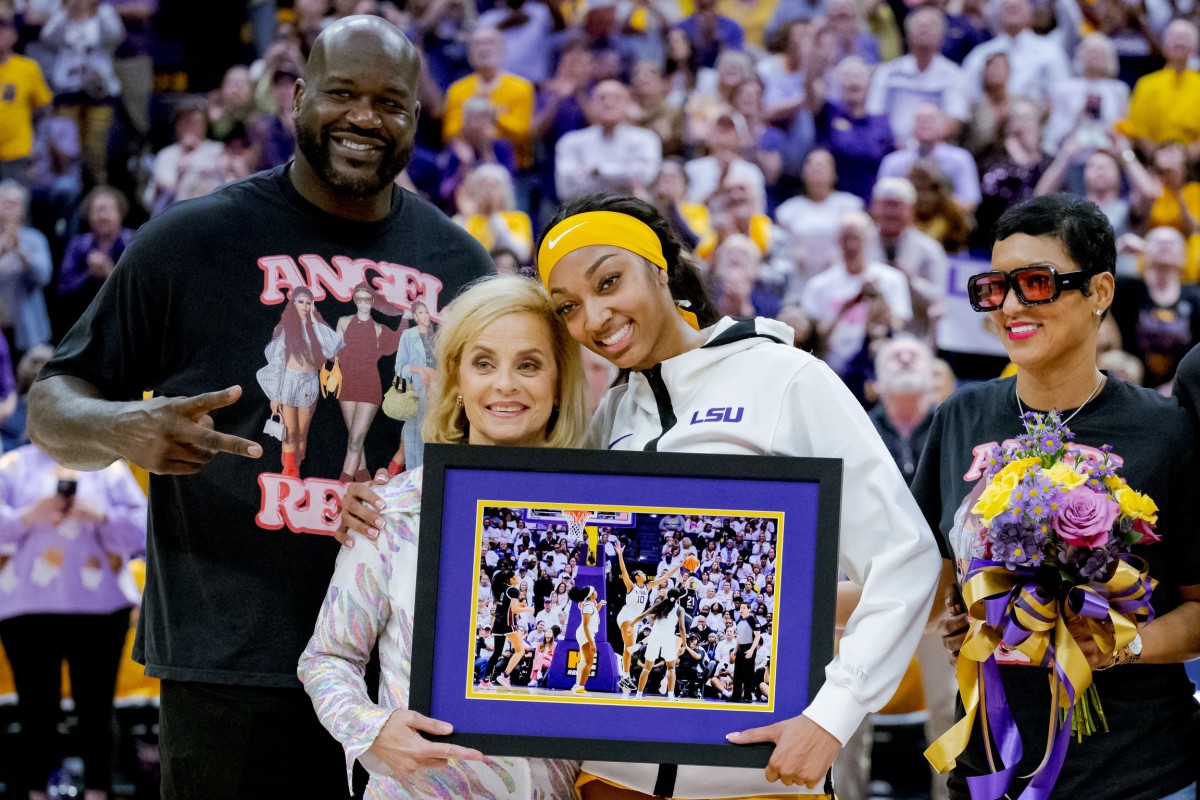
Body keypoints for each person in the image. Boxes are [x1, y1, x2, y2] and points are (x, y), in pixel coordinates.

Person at [26, 17, 492, 799]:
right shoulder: (192, 241)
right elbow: (52, 401)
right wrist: (122, 429)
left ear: (418, 117)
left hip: (402, 669)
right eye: (342, 94)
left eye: (391, 103)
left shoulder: (460, 263)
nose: (365, 119)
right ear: (298, 98)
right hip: (230, 663)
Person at [538, 193, 941, 798]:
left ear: (663, 269)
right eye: (569, 306)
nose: (592, 318)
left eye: (609, 281)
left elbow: (906, 559)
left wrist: (833, 714)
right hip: (607, 778)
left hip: (756, 778)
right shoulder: (614, 414)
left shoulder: (786, 377)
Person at [915, 194, 1200, 800]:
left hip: (1140, 775)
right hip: (990, 771)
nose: (1011, 306)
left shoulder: (1167, 430)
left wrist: (1125, 646)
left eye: (1036, 283)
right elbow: (917, 582)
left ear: (1099, 292)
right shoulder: (960, 417)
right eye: (994, 288)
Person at [299, 275, 586, 796]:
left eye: (529, 364)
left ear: (559, 379)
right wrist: (371, 729)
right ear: (454, 379)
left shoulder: (598, 514)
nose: (505, 384)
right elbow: (328, 658)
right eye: (483, 363)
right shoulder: (392, 511)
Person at [0, 444, 147, 800]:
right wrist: (27, 516)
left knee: (96, 709)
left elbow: (143, 531)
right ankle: (35, 790)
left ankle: (99, 790)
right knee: (35, 708)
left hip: (100, 609)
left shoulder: (109, 466)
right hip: (26, 608)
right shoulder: (12, 465)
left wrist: (100, 517)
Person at [257, 285, 344, 478]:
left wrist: (313, 319)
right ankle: (289, 471)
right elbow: (278, 362)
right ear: (293, 303)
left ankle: (295, 466)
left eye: (308, 302)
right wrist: (274, 395)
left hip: (309, 381)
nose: (304, 306)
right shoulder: (285, 329)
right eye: (301, 302)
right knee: (289, 431)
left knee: (302, 432)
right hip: (289, 380)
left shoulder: (317, 329)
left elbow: (332, 349)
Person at [334, 281, 401, 482]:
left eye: (367, 299)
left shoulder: (379, 329)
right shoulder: (344, 322)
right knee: (355, 438)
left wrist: (405, 319)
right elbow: (335, 351)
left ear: (372, 301)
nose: (363, 303)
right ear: (354, 300)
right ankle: (363, 478)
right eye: (359, 299)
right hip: (347, 384)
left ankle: (342, 483)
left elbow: (398, 340)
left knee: (356, 439)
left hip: (370, 385)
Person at [54, 185, 134, 339]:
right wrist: (88, 274)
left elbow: (142, 290)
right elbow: (63, 287)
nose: (103, 216)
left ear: (120, 213)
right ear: (88, 215)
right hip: (84, 325)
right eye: (97, 210)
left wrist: (110, 272)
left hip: (124, 325)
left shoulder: (133, 243)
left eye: (108, 210)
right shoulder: (78, 245)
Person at [613, 538, 680, 689]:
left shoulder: (647, 587)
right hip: (626, 616)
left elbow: (665, 577)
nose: (645, 574)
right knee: (629, 647)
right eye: (642, 573)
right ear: (637, 576)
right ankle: (625, 676)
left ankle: (625, 676)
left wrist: (680, 566)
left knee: (627, 648)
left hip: (635, 619)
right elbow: (623, 571)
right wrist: (620, 555)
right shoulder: (631, 585)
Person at [0, 6, 53, 186]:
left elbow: (43, 109)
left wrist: (35, 146)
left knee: (17, 209)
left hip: (17, 154)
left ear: (14, 35)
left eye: (3, 27)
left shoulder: (28, 68)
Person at [0, 180, 52, 357]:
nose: (9, 206)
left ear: (22, 208)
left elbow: (44, 278)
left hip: (29, 326)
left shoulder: (35, 239)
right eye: (4, 201)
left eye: (14, 202)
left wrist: (23, 257)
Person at [392, 299, 436, 474]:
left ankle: (429, 477)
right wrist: (420, 370)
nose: (425, 316)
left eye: (426, 312)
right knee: (413, 438)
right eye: (420, 313)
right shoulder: (408, 335)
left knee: (431, 436)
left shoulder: (436, 337)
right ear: (415, 317)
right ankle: (413, 479)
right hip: (416, 394)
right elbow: (400, 367)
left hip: (437, 394)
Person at [631, 586, 687, 700]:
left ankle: (638, 695)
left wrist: (631, 625)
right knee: (671, 668)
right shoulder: (679, 609)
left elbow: (642, 616)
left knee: (646, 668)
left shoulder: (659, 605)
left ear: (667, 595)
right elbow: (681, 627)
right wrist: (684, 644)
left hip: (655, 636)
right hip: (668, 637)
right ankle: (671, 696)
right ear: (678, 598)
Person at [570, 584, 605, 695]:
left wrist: (599, 605)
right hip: (586, 634)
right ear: (590, 594)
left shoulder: (590, 605)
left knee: (584, 661)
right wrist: (592, 643)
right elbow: (586, 626)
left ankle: (577, 685)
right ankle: (580, 688)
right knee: (589, 662)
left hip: (585, 634)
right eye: (594, 591)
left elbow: (594, 615)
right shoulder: (588, 606)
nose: (596, 592)